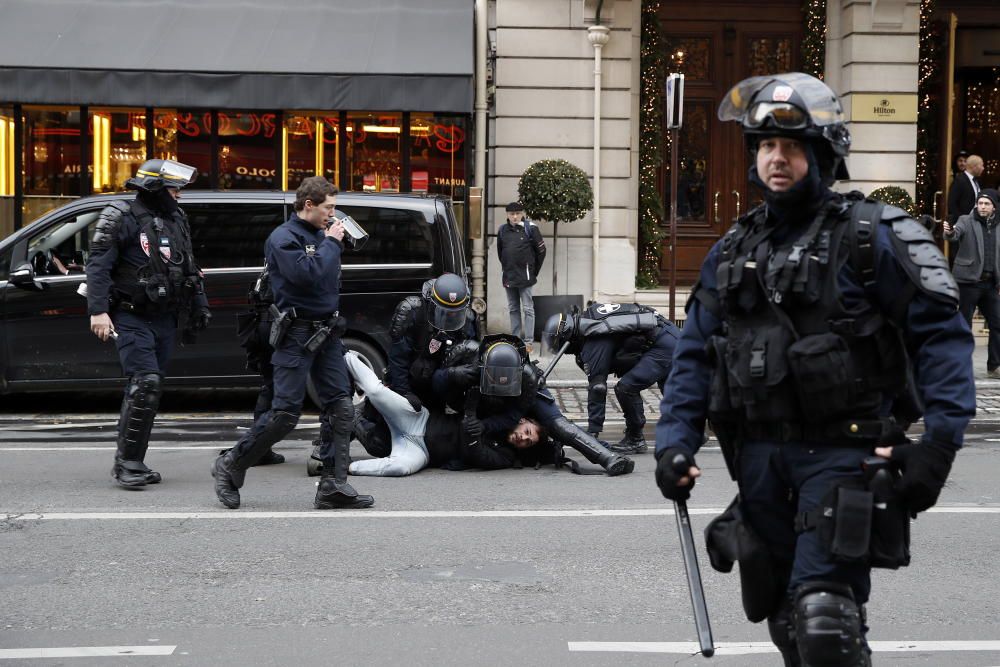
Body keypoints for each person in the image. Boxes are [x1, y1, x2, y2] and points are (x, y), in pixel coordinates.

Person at [654, 72, 975, 666]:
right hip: (758, 464)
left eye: (793, 147)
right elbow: (694, 354)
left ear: (823, 154)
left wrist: (938, 446)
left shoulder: (873, 235)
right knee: (787, 622)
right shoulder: (733, 249)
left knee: (825, 619)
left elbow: (943, 339)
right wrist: (673, 445)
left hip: (844, 456)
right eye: (767, 147)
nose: (777, 159)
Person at [212, 176, 374, 510]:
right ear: (309, 205)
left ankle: (332, 485)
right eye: (328, 207)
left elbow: (325, 274)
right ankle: (231, 465)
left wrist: (332, 240)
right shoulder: (283, 238)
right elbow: (306, 275)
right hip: (295, 334)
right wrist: (330, 242)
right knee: (284, 413)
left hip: (326, 331)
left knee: (340, 408)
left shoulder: (321, 234)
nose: (334, 213)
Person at [86, 159, 211, 488]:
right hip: (131, 315)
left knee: (148, 390)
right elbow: (98, 266)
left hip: (164, 317)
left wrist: (200, 304)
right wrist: (98, 311)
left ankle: (131, 459)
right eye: (174, 189)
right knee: (146, 383)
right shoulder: (119, 215)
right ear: (155, 188)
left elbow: (189, 265)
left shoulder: (176, 218)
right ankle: (127, 464)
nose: (179, 196)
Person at [541, 303, 679, 454]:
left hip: (662, 345)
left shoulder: (593, 338)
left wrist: (592, 433)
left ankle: (635, 439)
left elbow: (598, 388)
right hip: (668, 335)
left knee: (626, 388)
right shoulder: (590, 318)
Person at [385, 272, 477, 412]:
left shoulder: (466, 320)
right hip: (411, 382)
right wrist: (404, 392)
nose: (449, 316)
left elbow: (469, 358)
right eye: (444, 312)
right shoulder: (413, 312)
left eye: (453, 313)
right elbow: (398, 359)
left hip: (440, 385)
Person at [944, 188, 1000, 377]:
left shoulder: (998, 225)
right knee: (964, 325)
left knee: (997, 322)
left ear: (994, 207)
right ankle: (960, 365)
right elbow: (954, 234)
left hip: (990, 284)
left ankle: (994, 365)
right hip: (968, 282)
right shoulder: (965, 220)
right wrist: (949, 231)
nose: (982, 207)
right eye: (980, 203)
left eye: (987, 204)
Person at [497, 201, 546, 352]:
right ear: (507, 215)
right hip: (509, 275)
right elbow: (501, 252)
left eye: (518, 213)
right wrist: (506, 267)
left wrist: (533, 271)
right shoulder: (502, 230)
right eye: (512, 214)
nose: (515, 217)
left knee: (528, 309)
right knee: (513, 308)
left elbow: (542, 252)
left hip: (525, 276)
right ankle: (515, 339)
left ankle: (528, 342)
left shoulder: (530, 228)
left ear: (522, 214)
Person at [949, 154, 984, 223]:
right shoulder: (959, 180)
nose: (983, 168)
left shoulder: (977, 181)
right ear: (974, 167)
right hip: (964, 224)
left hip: (975, 222)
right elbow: (952, 204)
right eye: (981, 165)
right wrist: (962, 220)